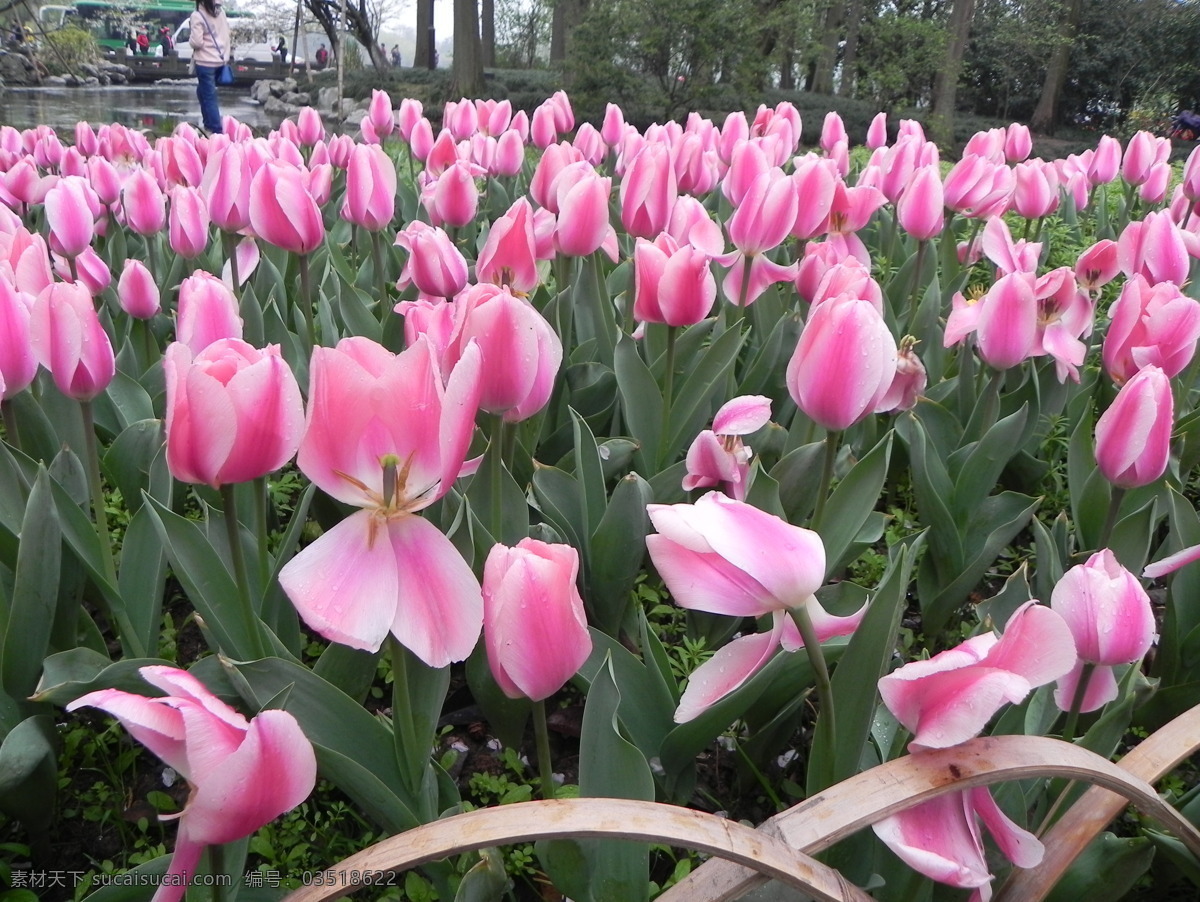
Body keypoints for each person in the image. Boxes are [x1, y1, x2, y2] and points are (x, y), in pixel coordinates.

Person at [189, 0, 230, 135]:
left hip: (205, 62)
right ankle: (208, 125)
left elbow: (197, 42)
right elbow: (225, 35)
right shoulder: (221, 12)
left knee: (209, 96)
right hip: (219, 60)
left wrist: (191, 40)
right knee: (202, 92)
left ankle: (215, 131)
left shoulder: (197, 15)